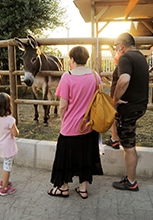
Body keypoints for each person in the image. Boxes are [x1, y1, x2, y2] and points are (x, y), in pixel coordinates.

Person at [47, 46, 103, 199]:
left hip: (70, 127)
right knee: (85, 157)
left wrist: (62, 117)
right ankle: (83, 189)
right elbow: (98, 99)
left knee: (64, 158)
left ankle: (63, 188)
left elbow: (63, 105)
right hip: (89, 126)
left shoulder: (67, 76)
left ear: (72, 59)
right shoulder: (95, 75)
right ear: (86, 59)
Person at [111, 32, 149, 191]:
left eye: (116, 46)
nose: (115, 50)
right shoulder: (140, 57)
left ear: (121, 45)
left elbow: (125, 79)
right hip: (138, 106)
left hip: (129, 108)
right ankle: (114, 139)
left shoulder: (126, 58)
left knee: (129, 145)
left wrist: (115, 99)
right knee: (124, 136)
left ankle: (131, 182)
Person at [104, 50, 123, 149]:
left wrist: (116, 97)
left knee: (115, 116)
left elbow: (124, 80)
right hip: (118, 96)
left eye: (117, 51)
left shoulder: (123, 64)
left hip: (118, 97)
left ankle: (115, 139)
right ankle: (115, 138)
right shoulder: (122, 64)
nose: (115, 54)